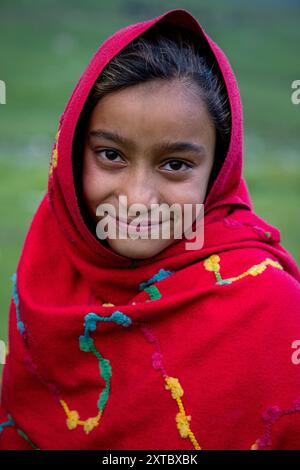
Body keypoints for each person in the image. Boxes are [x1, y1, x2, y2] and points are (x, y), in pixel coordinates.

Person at [0, 8, 299, 450]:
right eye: (111, 155)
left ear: (219, 171)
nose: (138, 200)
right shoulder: (49, 269)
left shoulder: (275, 312)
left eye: (175, 164)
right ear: (71, 150)